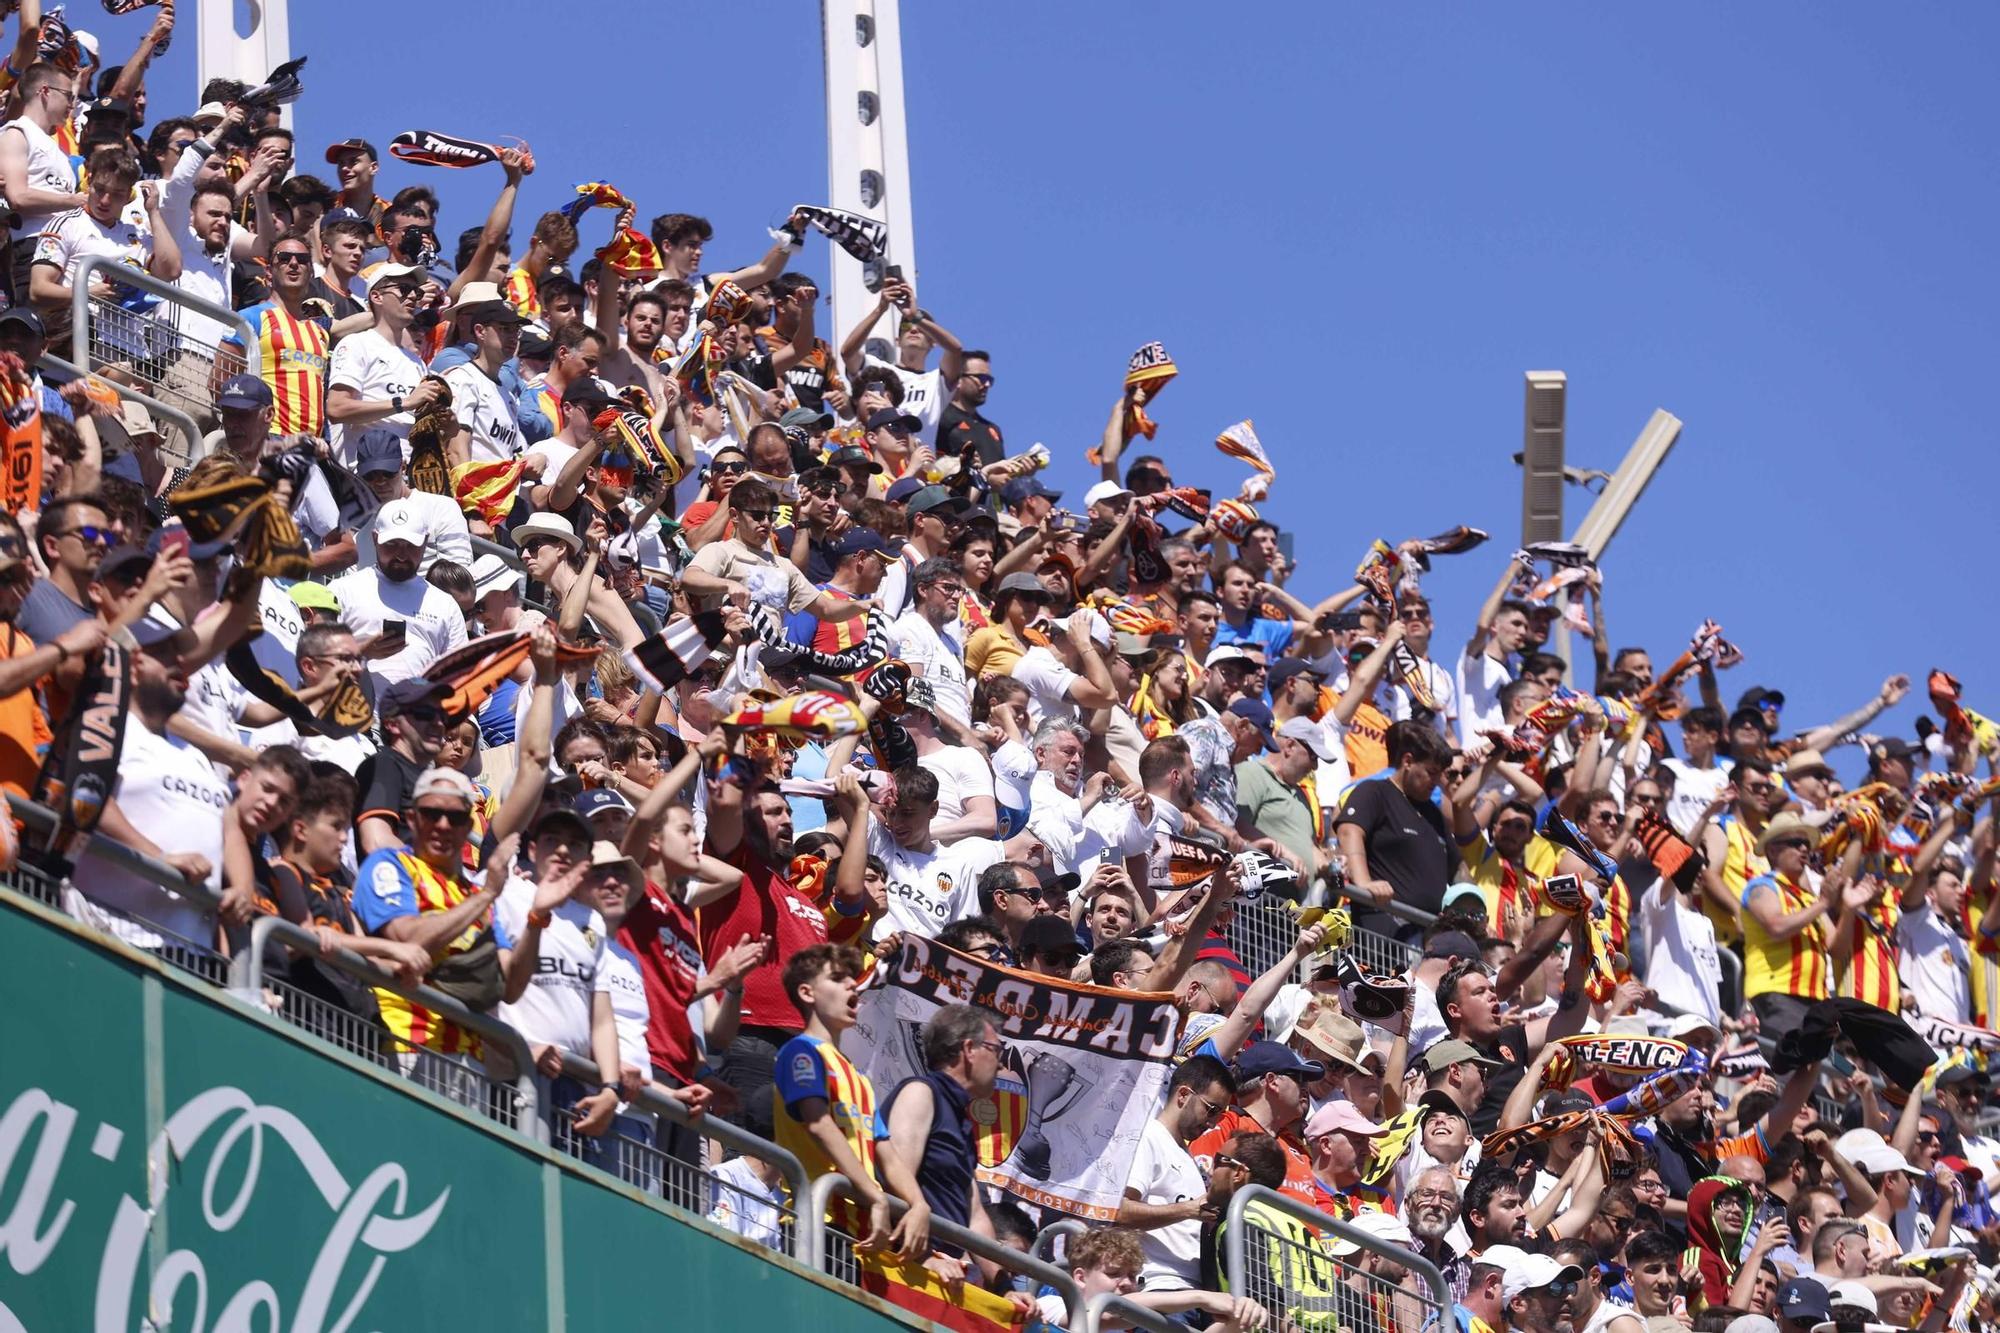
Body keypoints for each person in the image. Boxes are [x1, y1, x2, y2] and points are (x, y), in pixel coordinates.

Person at [772, 942, 931, 1255]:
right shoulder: (801, 1052)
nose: (851, 984)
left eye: (852, 978)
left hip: (857, 1233)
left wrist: (919, 1204)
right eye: (836, 978)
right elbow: (819, 1125)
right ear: (807, 993)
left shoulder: (858, 1078)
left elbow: (885, 1152)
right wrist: (873, 1193)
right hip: (814, 1221)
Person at [882, 1004, 1005, 1257]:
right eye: (996, 1050)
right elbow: (894, 1183)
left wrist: (1003, 1285)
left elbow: (974, 1215)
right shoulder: (920, 1093)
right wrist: (925, 1258)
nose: (1001, 1065)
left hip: (943, 1271)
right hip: (907, 1266)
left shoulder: (960, 1119)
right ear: (969, 1049)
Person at [1118, 1053, 1234, 1295]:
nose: (1213, 1123)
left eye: (1220, 1115)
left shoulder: (1184, 1154)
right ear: (1183, 1095)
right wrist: (1189, 1210)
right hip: (1158, 1285)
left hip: (1190, 1290)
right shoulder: (1148, 1137)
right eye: (1211, 1110)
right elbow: (1120, 1210)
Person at [328, 498, 469, 686]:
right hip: (354, 710)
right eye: (392, 544)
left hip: (419, 712)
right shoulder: (342, 590)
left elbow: (461, 677)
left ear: (426, 541)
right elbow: (315, 662)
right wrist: (362, 652)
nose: (401, 555)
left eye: (411, 545)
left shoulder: (445, 604)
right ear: (375, 539)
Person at [1336, 718, 1456, 937]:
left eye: (1441, 774)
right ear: (1408, 761)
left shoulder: (1433, 813)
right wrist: (1364, 882)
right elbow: (1349, 831)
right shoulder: (1374, 792)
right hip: (1386, 929)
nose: (1437, 781)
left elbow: (1458, 868)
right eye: (1431, 771)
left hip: (1428, 934)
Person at [324, 263, 441, 468]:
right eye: (404, 290)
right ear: (377, 297)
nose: (413, 296)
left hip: (409, 477)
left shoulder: (418, 363)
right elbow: (336, 408)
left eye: (417, 291)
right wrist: (403, 403)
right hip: (368, 476)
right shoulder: (356, 344)